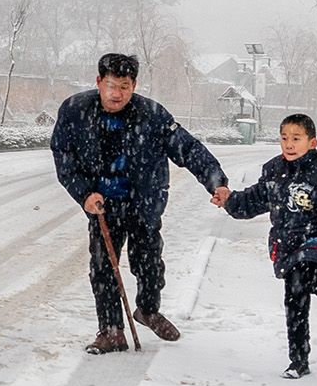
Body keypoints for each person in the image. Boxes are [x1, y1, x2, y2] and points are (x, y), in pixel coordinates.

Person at [51, 52, 231, 354]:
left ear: (134, 85)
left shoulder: (153, 115)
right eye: (110, 85)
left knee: (149, 264)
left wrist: (216, 182)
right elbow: (63, 157)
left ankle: (147, 309)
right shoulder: (74, 110)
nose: (116, 93)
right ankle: (111, 331)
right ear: (98, 82)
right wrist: (84, 193)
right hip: (102, 205)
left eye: (124, 85)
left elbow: (187, 148)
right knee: (104, 269)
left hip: (142, 202)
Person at [220, 112, 317, 378]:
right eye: (284, 138)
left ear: (312, 143)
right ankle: (299, 361)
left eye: (296, 138)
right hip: (287, 243)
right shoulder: (274, 170)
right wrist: (228, 200)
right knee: (295, 298)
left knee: (302, 275)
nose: (289, 144)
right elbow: (253, 201)